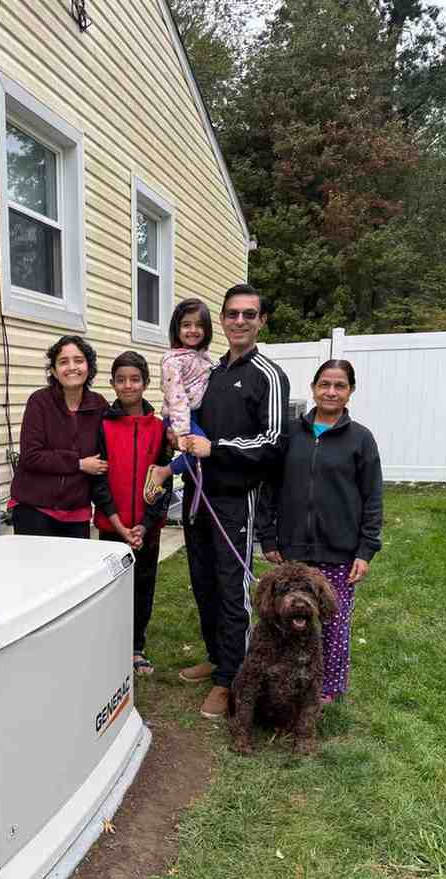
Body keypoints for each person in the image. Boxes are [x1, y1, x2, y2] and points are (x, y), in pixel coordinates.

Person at [179, 283, 290, 720]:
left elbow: (274, 442)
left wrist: (217, 448)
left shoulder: (268, 375)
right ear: (222, 320)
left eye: (249, 314)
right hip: (197, 495)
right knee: (204, 582)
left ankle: (232, 679)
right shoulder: (210, 371)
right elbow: (190, 418)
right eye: (232, 314)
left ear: (262, 321)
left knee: (231, 588)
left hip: (235, 500)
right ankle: (217, 657)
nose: (239, 321)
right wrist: (180, 435)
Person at [258, 359, 383, 703]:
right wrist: (267, 536)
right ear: (313, 389)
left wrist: (365, 550)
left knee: (333, 622)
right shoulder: (290, 435)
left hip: (339, 550)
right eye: (324, 384)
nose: (331, 392)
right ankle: (287, 680)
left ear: (350, 391)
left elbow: (373, 497)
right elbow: (269, 489)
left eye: (339, 385)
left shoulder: (361, 439)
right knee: (287, 617)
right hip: (293, 551)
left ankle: (328, 688)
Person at [92, 352, 172, 676]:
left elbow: (165, 479)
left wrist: (145, 524)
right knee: (113, 588)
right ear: (112, 384)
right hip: (113, 525)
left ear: (146, 383)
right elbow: (98, 480)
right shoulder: (102, 425)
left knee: (143, 586)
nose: (128, 386)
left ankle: (136, 646)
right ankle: (113, 645)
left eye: (135, 379)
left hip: (146, 529)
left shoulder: (159, 428)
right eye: (121, 380)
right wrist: (117, 522)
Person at [10, 335, 109, 538]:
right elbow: (31, 456)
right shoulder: (40, 402)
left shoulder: (98, 405)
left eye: (78, 360)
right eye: (63, 362)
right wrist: (78, 464)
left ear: (89, 367)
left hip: (77, 511)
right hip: (35, 508)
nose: (72, 367)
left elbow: (117, 435)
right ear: (54, 371)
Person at [142, 298, 214, 502]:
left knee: (202, 452)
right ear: (177, 328)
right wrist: (181, 432)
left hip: (195, 416)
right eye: (186, 325)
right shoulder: (172, 360)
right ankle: (161, 473)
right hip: (180, 418)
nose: (193, 330)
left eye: (199, 325)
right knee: (199, 449)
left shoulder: (203, 357)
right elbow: (176, 397)